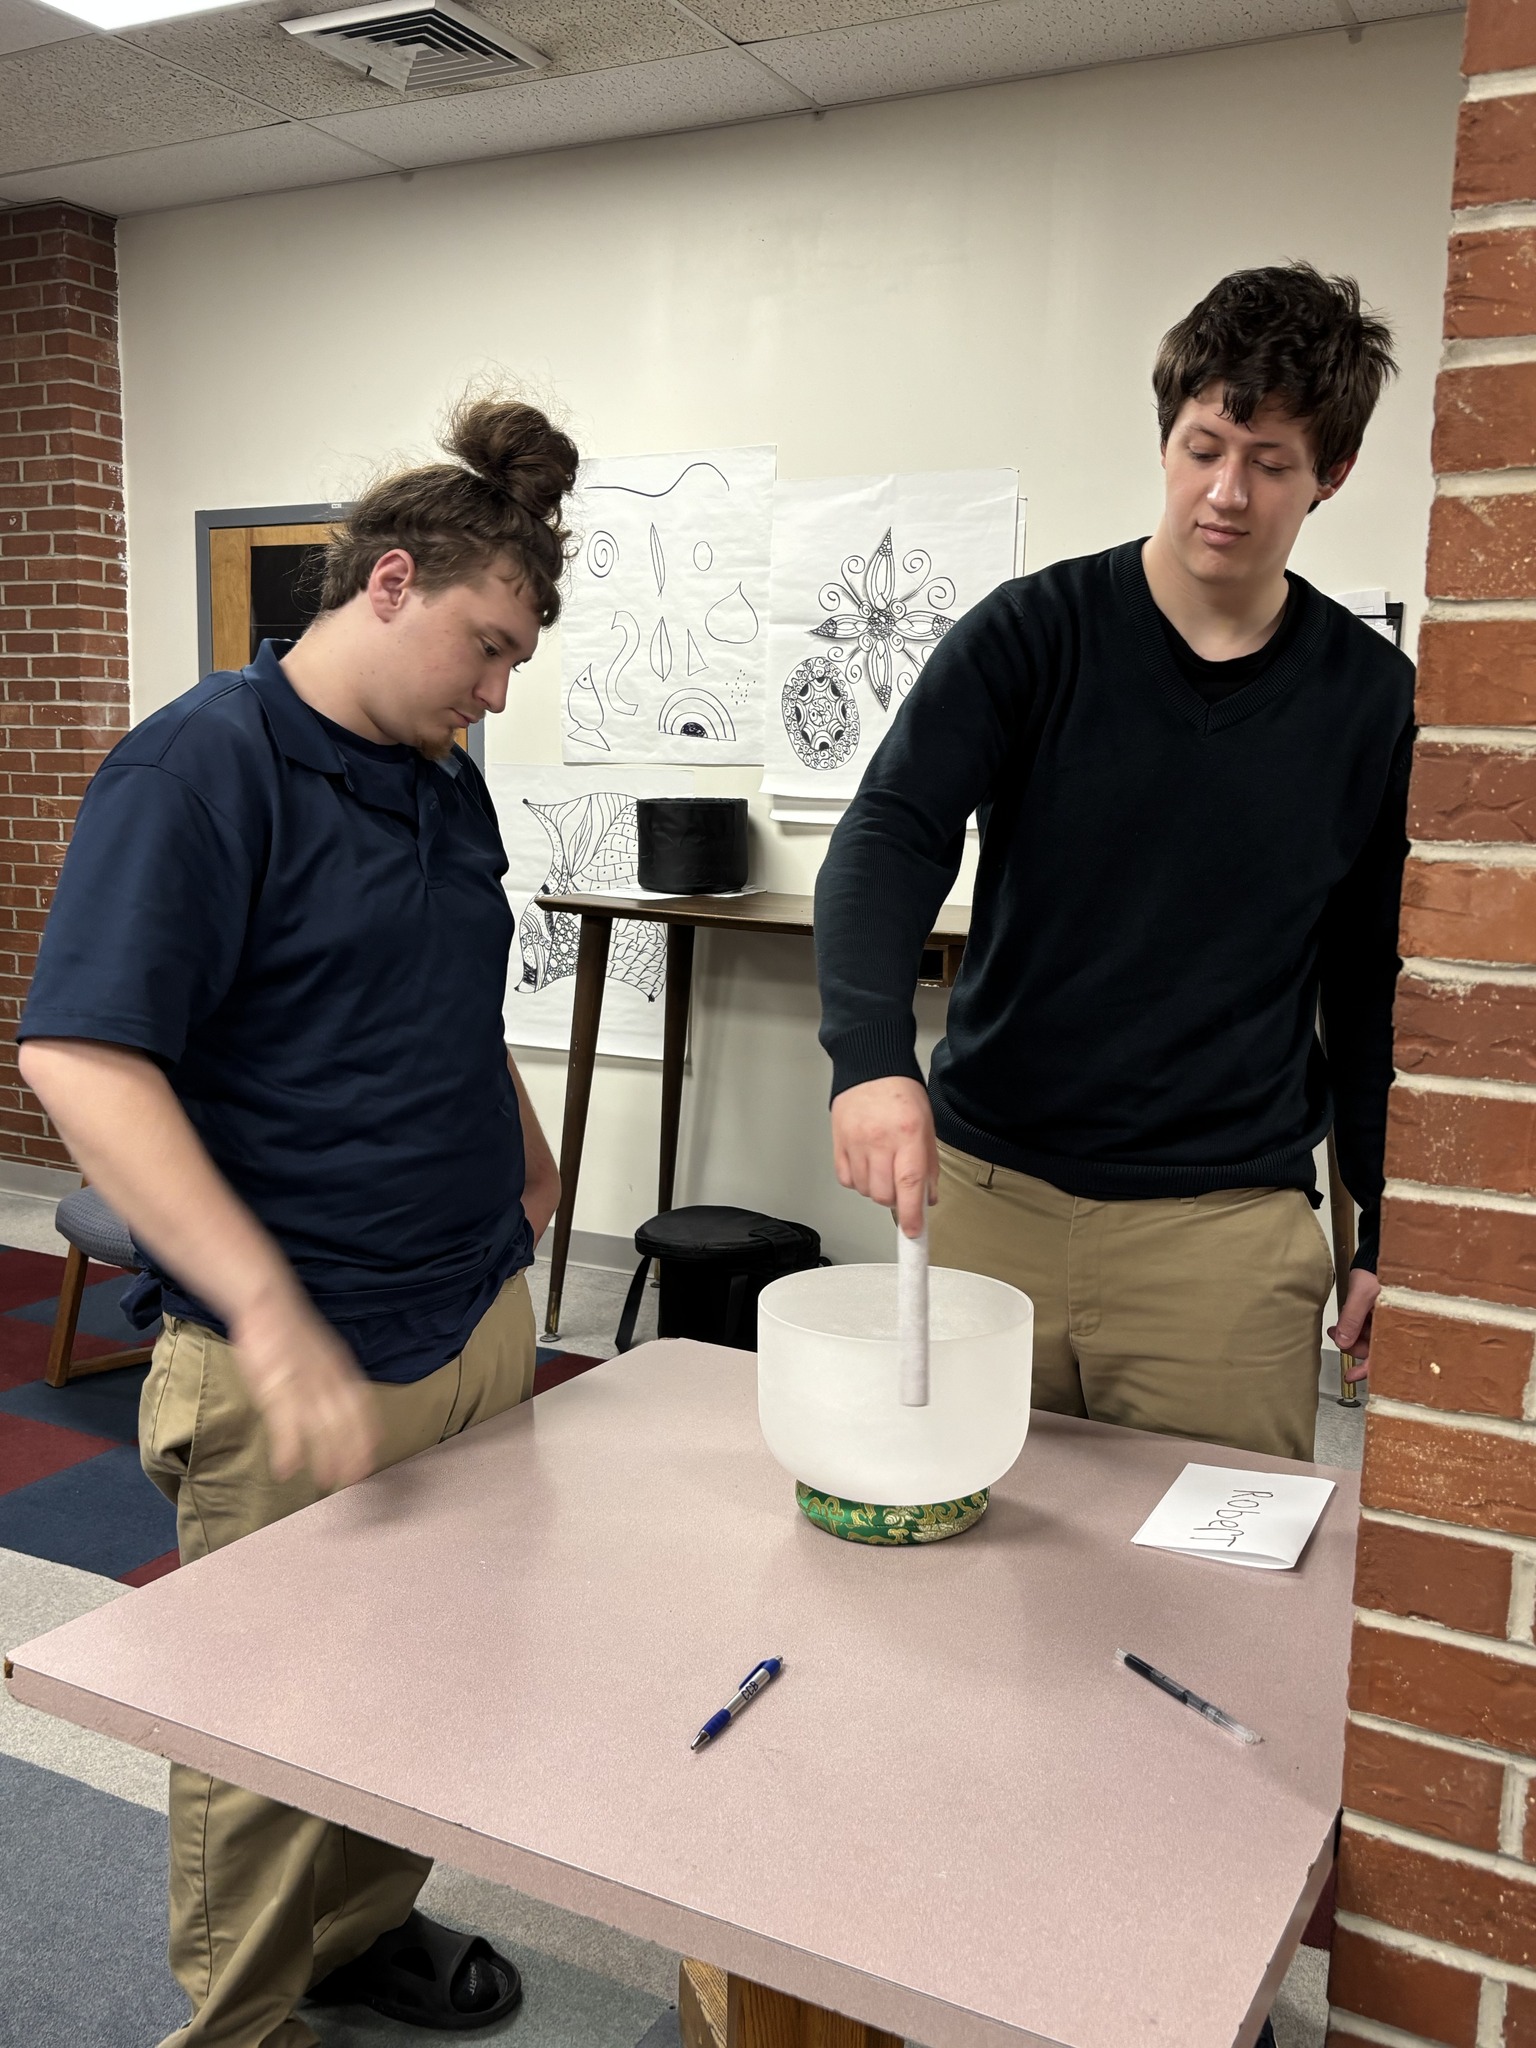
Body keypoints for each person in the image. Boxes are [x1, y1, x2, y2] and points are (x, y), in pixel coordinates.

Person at [18, 396, 576, 2046]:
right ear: (391, 583)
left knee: (428, 1669)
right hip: (296, 1349)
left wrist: (520, 1138)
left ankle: (360, 1933)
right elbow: (81, 1056)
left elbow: (444, 988)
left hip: (467, 1305)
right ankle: (244, 2016)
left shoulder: (440, 778)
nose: (495, 692)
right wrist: (261, 1306)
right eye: (487, 649)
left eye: (515, 664)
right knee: (271, 1717)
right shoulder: (200, 767)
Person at [815, 264, 1412, 1463]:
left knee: (1212, 1569)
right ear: (1167, 436)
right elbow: (889, 834)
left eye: (1271, 463)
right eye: (1204, 448)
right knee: (965, 1531)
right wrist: (869, 1057)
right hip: (990, 1199)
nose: (1226, 493)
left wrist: (1391, 1226)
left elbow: (1372, 981)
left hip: (1224, 1238)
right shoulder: (1031, 635)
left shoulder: (1372, 702)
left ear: (1332, 474)